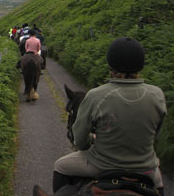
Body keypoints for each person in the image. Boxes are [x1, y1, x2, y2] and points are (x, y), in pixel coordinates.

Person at [52, 37, 167, 195]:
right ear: (140, 66)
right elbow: (154, 135)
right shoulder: (157, 95)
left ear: (111, 66)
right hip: (146, 167)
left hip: (102, 164)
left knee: (60, 166)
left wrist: (93, 140)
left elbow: (79, 141)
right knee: (159, 185)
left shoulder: (96, 95)